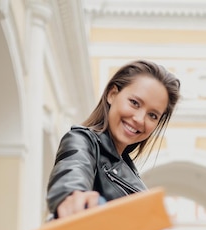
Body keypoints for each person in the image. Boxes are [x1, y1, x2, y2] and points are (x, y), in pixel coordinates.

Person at [46, 60, 181, 219]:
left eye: (152, 115)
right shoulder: (83, 140)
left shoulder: (131, 175)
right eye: (135, 103)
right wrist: (73, 195)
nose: (139, 119)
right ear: (112, 94)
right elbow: (73, 170)